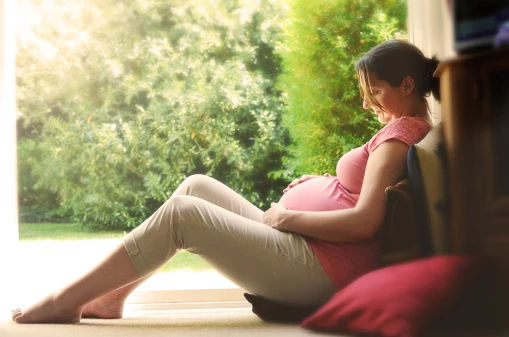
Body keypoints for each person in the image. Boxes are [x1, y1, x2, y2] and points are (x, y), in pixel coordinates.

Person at [12, 39, 440, 324]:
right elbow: (357, 196)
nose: (368, 102)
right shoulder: (403, 129)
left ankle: (64, 301)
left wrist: (288, 218)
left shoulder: (401, 135)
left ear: (406, 84)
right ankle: (111, 297)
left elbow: (365, 221)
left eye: (376, 91)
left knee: (184, 214)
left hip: (323, 267)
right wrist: (318, 191)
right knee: (197, 185)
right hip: (315, 252)